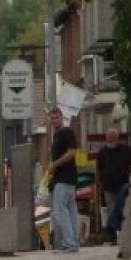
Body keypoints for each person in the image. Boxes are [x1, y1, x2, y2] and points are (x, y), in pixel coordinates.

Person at [43, 107, 81, 252]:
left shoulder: (68, 133)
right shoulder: (56, 136)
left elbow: (72, 152)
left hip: (65, 178)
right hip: (63, 179)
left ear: (61, 117)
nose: (53, 121)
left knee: (60, 211)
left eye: (56, 118)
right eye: (51, 118)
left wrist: (55, 164)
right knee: (71, 211)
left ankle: (69, 243)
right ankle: (73, 243)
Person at [95, 125, 131, 245]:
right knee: (112, 210)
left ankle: (122, 235)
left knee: (122, 211)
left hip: (123, 186)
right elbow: (98, 170)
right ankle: (114, 236)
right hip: (108, 187)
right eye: (109, 137)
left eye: (113, 136)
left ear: (117, 137)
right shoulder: (102, 152)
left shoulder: (125, 150)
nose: (110, 139)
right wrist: (98, 186)